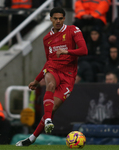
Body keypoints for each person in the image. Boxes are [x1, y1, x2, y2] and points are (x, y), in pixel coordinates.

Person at [16, 7, 88, 146]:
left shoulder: (73, 30)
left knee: (52, 108)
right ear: (50, 19)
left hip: (68, 76)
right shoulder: (47, 39)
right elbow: (49, 62)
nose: (58, 21)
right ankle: (48, 121)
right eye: (55, 18)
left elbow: (84, 50)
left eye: (61, 18)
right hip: (54, 70)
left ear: (64, 19)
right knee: (49, 83)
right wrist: (37, 80)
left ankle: (32, 138)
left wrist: (66, 52)